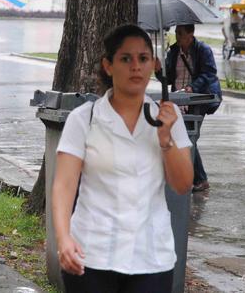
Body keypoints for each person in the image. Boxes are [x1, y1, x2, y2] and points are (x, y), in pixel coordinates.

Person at [53, 25, 193, 293]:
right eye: (125, 59)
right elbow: (64, 185)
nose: (135, 67)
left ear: (153, 64)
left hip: (151, 258)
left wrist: (166, 140)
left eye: (143, 58)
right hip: (91, 255)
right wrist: (63, 238)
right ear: (108, 66)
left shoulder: (168, 117)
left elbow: (183, 184)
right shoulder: (84, 119)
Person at [163, 24, 221, 193]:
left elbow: (209, 73)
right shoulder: (174, 51)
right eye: (176, 33)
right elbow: (167, 79)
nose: (177, 37)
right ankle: (200, 179)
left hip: (197, 101)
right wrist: (160, 70)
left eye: (180, 33)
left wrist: (193, 87)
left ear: (191, 34)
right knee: (186, 139)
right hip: (178, 101)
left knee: (190, 139)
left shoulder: (203, 50)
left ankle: (200, 179)